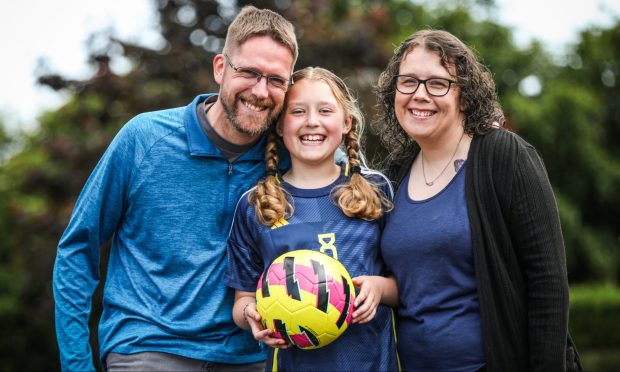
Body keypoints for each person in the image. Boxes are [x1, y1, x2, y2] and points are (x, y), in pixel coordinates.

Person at [53, 6, 298, 371]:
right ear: (220, 68)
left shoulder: (290, 158)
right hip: (146, 348)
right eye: (249, 72)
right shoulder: (144, 139)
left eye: (276, 80)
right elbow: (77, 248)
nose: (261, 91)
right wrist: (77, 365)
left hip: (246, 358)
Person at [373, 29, 582, 371]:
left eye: (438, 83)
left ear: (465, 97)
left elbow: (548, 284)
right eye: (408, 81)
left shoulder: (504, 156)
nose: (420, 94)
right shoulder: (395, 172)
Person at [225, 67, 400, 371]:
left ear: (346, 122)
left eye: (325, 110)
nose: (312, 121)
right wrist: (252, 313)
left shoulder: (376, 191)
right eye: (298, 111)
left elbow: (410, 285)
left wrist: (380, 289)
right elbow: (242, 300)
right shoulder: (257, 204)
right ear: (280, 125)